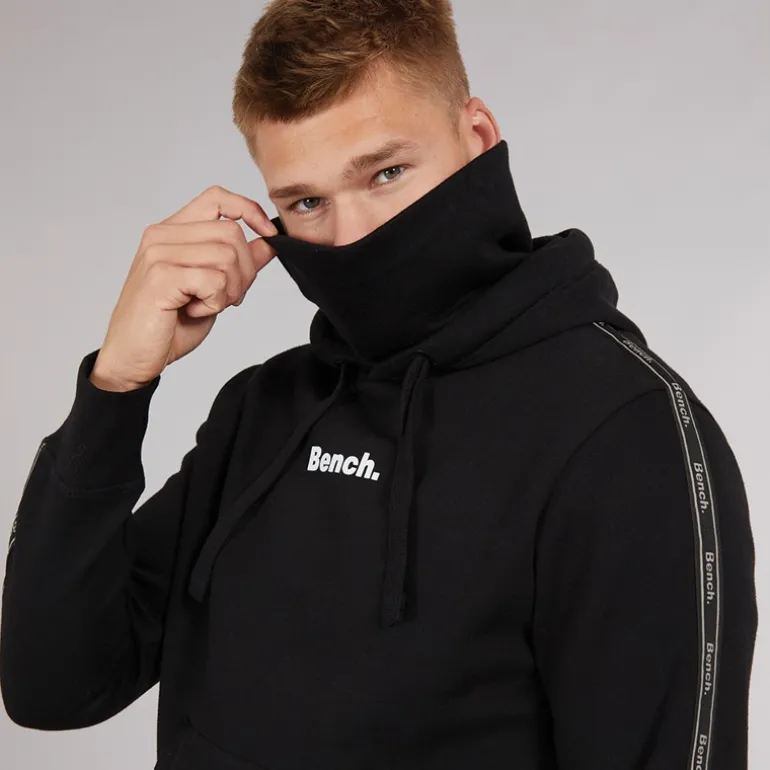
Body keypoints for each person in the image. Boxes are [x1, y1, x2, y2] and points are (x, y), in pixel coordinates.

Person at [0, 1, 758, 768]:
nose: (352, 235)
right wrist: (116, 387)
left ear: (478, 137)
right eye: (307, 203)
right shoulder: (266, 410)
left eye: (386, 173)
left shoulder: (626, 433)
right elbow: (52, 686)